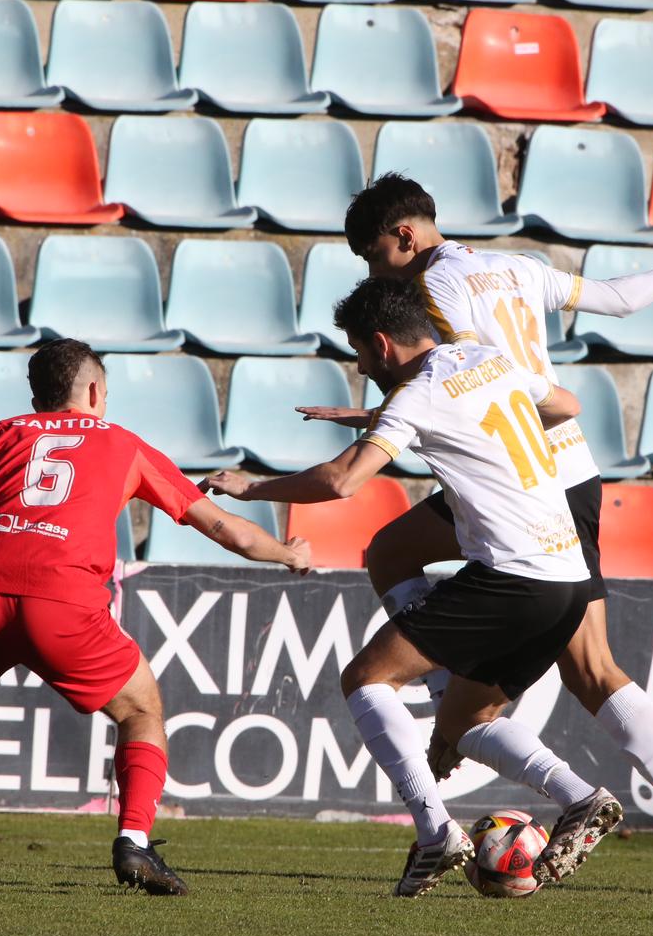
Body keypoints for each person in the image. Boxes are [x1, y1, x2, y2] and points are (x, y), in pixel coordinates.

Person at [299, 173, 653, 901]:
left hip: (522, 471)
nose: (378, 273)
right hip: (570, 464)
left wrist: (386, 425)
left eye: (376, 257)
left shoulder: (433, 295)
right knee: (587, 663)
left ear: (405, 238)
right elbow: (616, 299)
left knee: (400, 562)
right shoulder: (512, 265)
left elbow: (463, 387)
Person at [0, 340, 312, 894]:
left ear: (37, 394)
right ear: (95, 391)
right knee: (142, 711)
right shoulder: (125, 445)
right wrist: (289, 553)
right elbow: (223, 528)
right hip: (62, 602)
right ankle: (134, 843)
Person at [206, 276, 618, 897]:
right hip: (568, 576)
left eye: (359, 354)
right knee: (464, 721)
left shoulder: (417, 393)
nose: (363, 367)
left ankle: (435, 832)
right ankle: (582, 798)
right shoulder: (487, 357)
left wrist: (253, 489)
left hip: (512, 576)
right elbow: (564, 405)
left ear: (380, 344)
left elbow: (345, 480)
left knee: (365, 678)